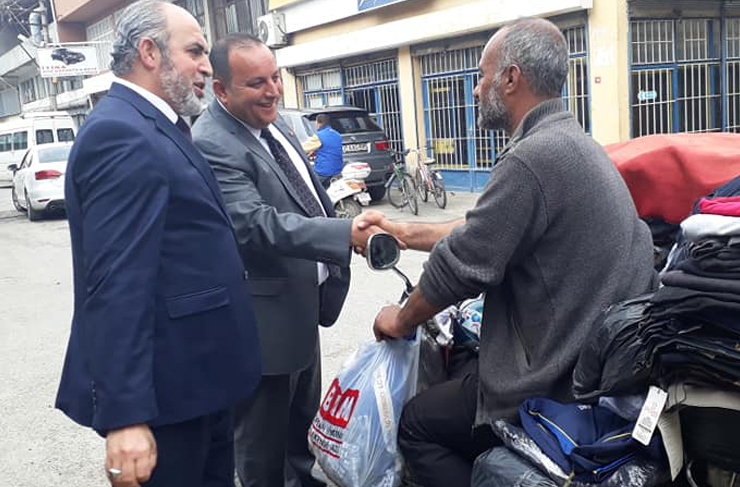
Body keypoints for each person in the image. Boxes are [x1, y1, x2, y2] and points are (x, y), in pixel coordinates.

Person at [361, 17, 658, 487]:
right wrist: (400, 231)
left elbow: (459, 268)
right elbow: (482, 229)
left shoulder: (531, 158)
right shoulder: (573, 143)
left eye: (482, 76)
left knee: (416, 424)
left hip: (553, 383)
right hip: (593, 366)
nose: (476, 90)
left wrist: (399, 320)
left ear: (511, 78)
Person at [54, 2, 261, 487]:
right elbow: (116, 283)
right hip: (167, 399)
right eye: (195, 51)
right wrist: (125, 416)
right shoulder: (121, 134)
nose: (207, 67)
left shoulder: (158, 125)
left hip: (198, 384)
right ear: (149, 52)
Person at [191, 34, 382, 487]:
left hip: (300, 310)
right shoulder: (212, 142)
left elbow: (307, 195)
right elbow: (255, 224)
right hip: (263, 329)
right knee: (263, 454)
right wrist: (343, 234)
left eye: (275, 78)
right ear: (221, 90)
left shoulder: (273, 125)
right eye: (256, 83)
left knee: (302, 438)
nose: (273, 91)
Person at [312, 114, 344, 188]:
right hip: (337, 170)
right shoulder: (337, 135)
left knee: (310, 185)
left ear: (319, 123)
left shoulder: (319, 136)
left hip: (323, 171)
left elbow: (303, 148)